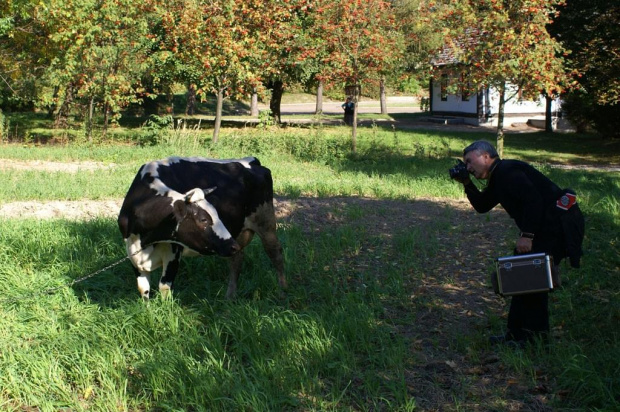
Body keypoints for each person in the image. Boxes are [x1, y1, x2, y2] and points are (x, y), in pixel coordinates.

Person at [451, 140, 584, 347]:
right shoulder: (498, 177)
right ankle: (515, 335)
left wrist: (527, 235)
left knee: (532, 281)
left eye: (470, 161)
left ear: (485, 156)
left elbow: (534, 201)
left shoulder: (507, 171)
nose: (468, 166)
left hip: (556, 227)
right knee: (520, 278)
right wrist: (467, 183)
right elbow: (483, 205)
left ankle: (534, 340)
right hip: (545, 227)